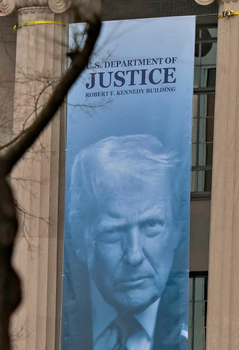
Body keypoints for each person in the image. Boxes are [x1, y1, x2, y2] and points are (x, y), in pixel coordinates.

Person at [62, 134, 188, 350]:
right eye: (113, 230)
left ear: (176, 230)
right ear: (80, 241)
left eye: (152, 225)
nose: (134, 255)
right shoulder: (60, 322)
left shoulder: (189, 330)